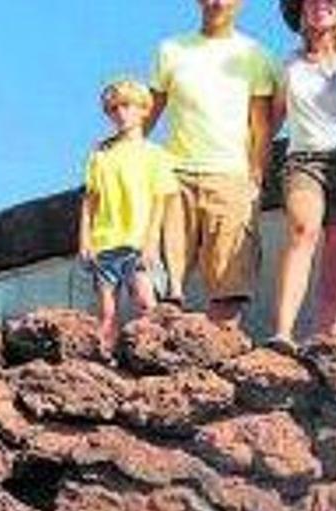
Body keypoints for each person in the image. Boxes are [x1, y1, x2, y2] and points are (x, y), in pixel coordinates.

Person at [147, 0, 277, 327]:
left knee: (230, 279)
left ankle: (219, 354)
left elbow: (260, 126)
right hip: (174, 175)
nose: (217, 2)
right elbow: (148, 112)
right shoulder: (171, 49)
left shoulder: (256, 55)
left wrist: (256, 176)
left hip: (231, 174)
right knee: (164, 281)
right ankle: (162, 354)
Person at [267, 0, 336, 353]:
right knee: (303, 230)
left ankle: (326, 337)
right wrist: (254, 161)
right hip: (303, 159)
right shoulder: (289, 65)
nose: (320, 5)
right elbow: (273, 118)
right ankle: (283, 331)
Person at [78, 78, 178, 348]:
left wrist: (150, 241)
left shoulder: (156, 155)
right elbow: (90, 200)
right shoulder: (100, 155)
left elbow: (160, 201)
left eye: (127, 106)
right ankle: (105, 357)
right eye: (114, 109)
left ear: (144, 109)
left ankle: (150, 352)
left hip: (137, 241)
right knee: (107, 311)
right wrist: (85, 240)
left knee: (146, 302)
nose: (121, 114)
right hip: (105, 241)